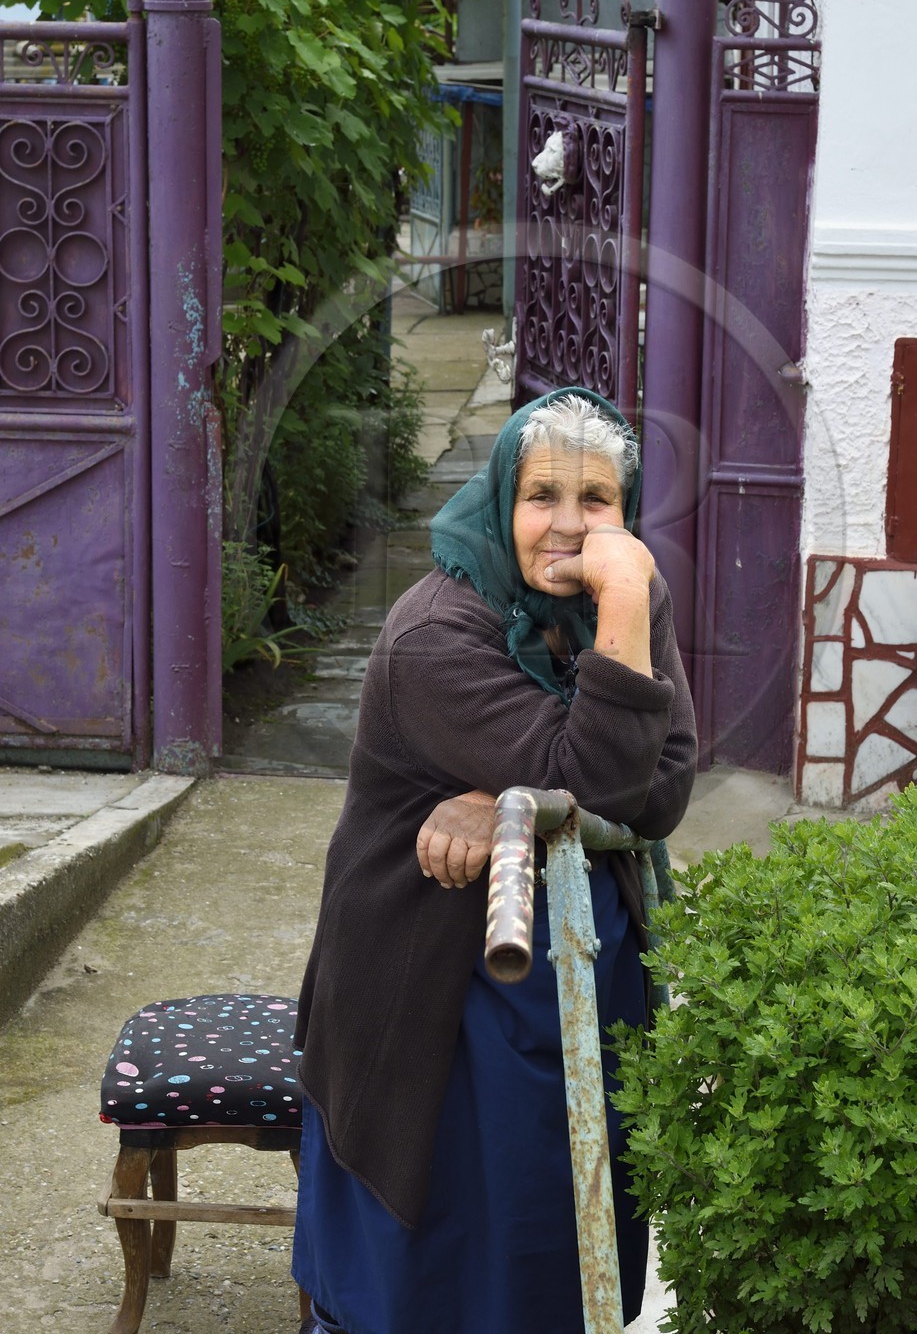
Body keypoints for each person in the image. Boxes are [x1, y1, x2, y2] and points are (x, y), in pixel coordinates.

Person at [292, 385, 697, 1334]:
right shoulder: (434, 634)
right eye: (542, 495)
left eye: (597, 499)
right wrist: (542, 785)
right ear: (503, 497)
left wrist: (510, 798)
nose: (570, 525)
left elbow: (665, 786)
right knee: (451, 1235)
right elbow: (601, 776)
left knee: (562, 1225)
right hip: (437, 983)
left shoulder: (626, 591)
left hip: (584, 959)